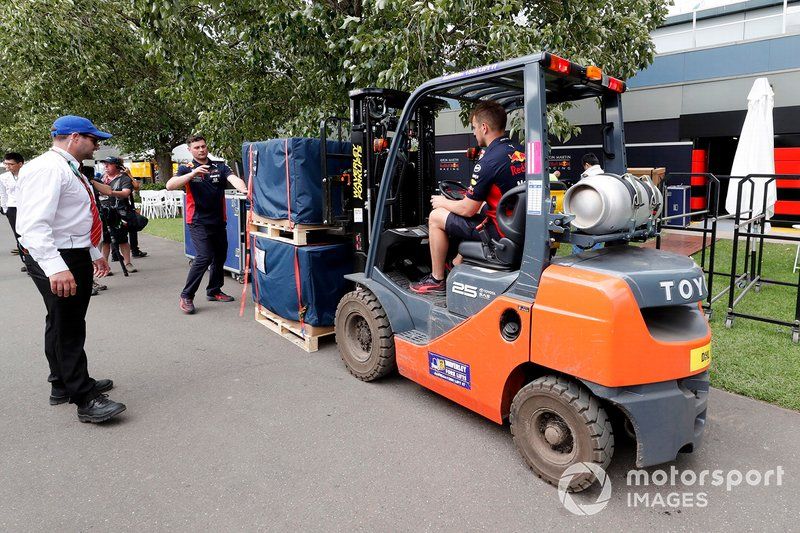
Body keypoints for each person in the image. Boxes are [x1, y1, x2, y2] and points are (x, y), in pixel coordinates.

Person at [16, 115, 126, 423]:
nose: (97, 146)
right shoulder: (48, 169)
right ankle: (84, 397)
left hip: (70, 251)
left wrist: (93, 252)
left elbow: (72, 222)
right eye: (94, 139)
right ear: (75, 137)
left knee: (62, 320)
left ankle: (62, 383)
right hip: (56, 256)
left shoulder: (66, 168)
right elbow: (34, 226)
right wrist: (55, 267)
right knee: (69, 325)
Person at [410, 101, 525, 294]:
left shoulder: (488, 161)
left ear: (484, 127)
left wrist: (442, 201)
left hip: (500, 232)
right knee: (476, 211)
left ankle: (437, 279)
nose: (473, 133)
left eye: (473, 128)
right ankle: (455, 263)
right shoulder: (520, 151)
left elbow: (467, 209)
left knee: (437, 216)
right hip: (518, 225)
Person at [167, 135, 247, 314]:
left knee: (220, 256)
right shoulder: (185, 168)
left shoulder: (219, 166)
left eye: (203, 146)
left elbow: (234, 179)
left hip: (218, 221)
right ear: (190, 150)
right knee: (204, 256)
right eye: (197, 147)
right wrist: (193, 174)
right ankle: (186, 295)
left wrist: (244, 189)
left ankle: (214, 290)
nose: (201, 150)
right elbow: (170, 185)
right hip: (197, 221)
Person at [93, 157, 136, 273]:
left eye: (108, 165)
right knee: (105, 240)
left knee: (122, 239)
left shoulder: (124, 178)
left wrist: (110, 192)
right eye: (104, 165)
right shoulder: (101, 178)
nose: (105, 167)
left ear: (116, 166)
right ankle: (105, 266)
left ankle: (128, 263)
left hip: (119, 213)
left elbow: (126, 193)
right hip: (103, 212)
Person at [0, 152, 27, 272]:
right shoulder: (3, 177)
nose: (8, 167)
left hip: (27, 208)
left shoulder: (29, 175)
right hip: (12, 208)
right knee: (19, 236)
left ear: (20, 164)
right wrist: (5, 208)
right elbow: (3, 194)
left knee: (31, 234)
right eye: (6, 164)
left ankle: (36, 261)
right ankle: (26, 262)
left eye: (11, 164)